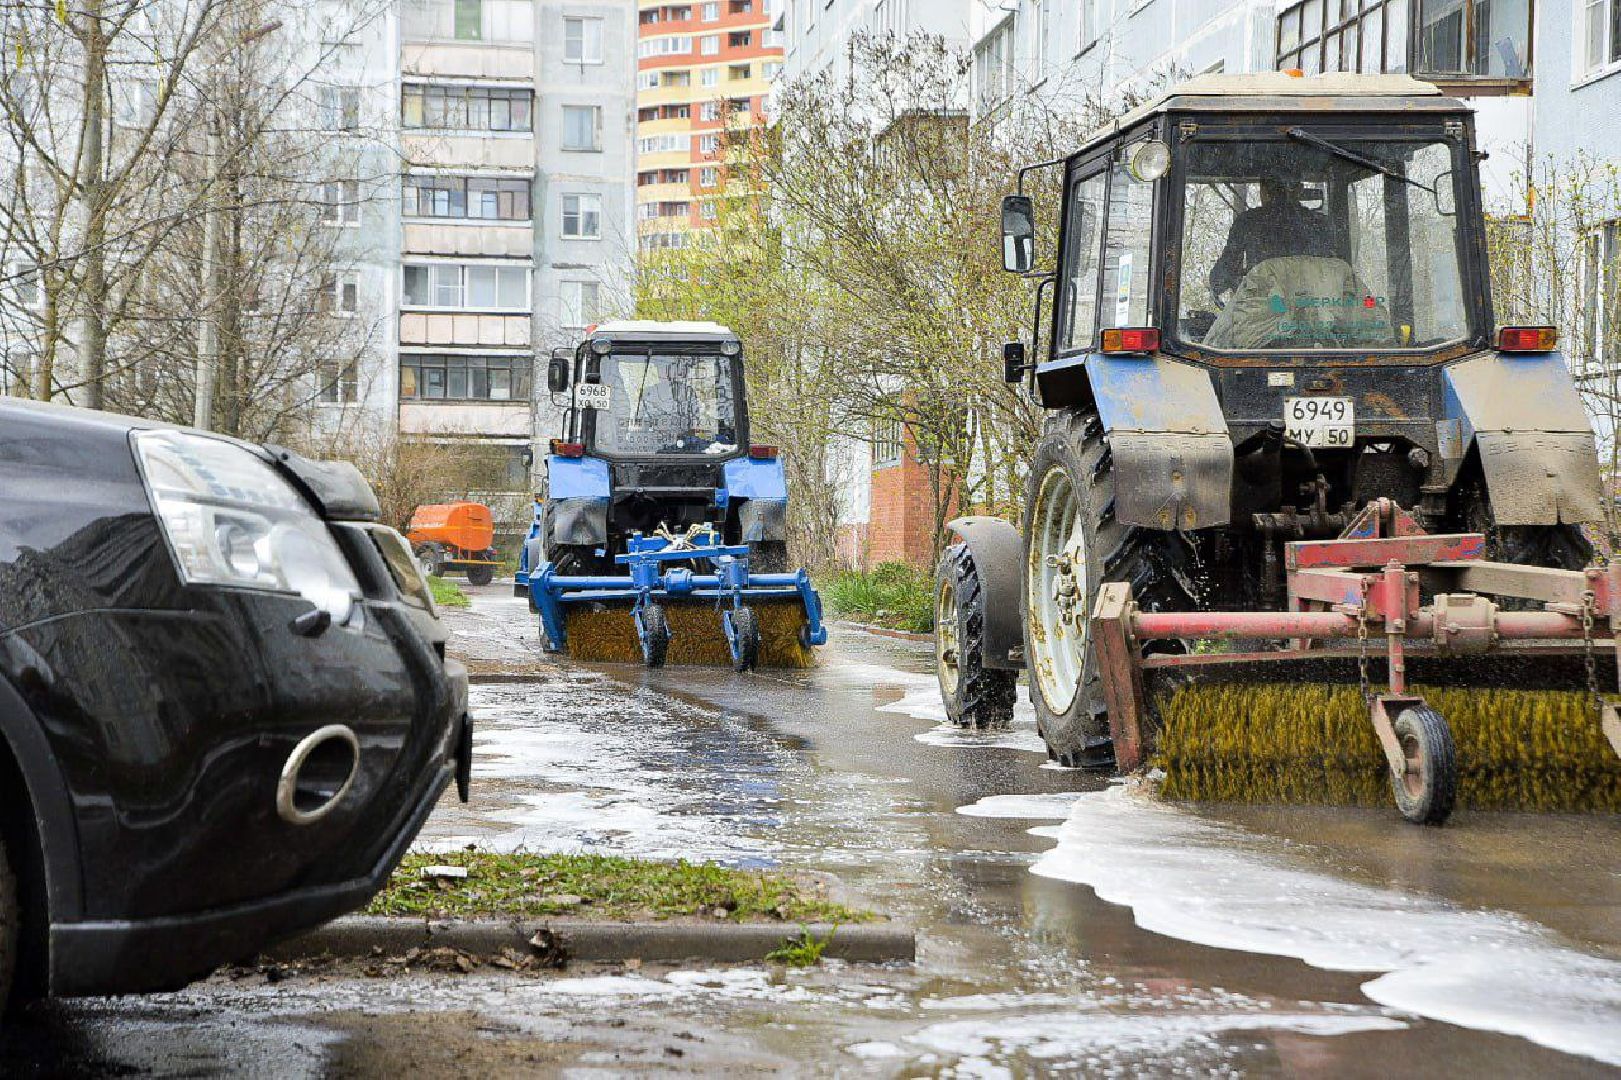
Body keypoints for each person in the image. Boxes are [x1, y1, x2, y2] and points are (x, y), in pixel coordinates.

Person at [1208, 178, 1344, 302]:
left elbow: (1223, 273)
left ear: (1263, 190)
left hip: (1264, 314)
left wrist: (1218, 283)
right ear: (1299, 190)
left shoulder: (1248, 222)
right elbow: (1337, 273)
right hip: (1313, 313)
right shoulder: (1320, 224)